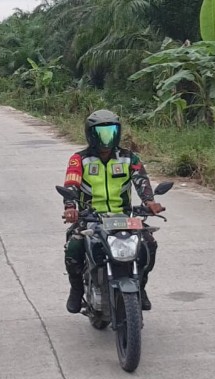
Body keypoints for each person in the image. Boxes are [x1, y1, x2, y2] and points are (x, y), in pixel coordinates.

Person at [61, 109, 164, 313]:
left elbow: (141, 180)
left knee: (149, 245)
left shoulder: (129, 158)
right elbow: (71, 182)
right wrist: (71, 207)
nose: (106, 138)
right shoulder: (79, 159)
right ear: (91, 134)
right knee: (74, 246)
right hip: (91, 216)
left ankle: (140, 287)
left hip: (124, 216)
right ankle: (76, 289)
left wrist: (150, 201)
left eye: (110, 132)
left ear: (118, 133)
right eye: (101, 133)